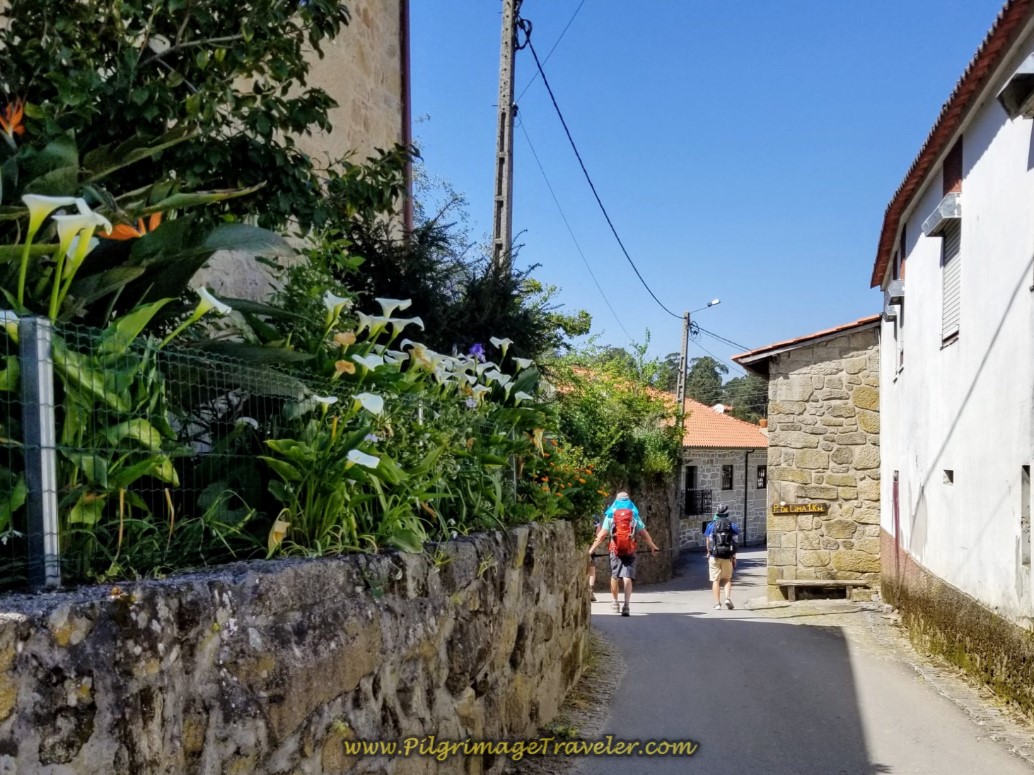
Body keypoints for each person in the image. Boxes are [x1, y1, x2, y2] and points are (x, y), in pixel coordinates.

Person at [587, 491, 660, 617]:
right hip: (630, 550)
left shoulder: (611, 515)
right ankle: (626, 605)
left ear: (616, 501)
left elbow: (601, 535)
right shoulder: (633, 516)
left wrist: (591, 550)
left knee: (614, 576)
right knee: (627, 577)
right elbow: (644, 534)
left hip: (614, 550)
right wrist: (653, 547)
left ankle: (615, 602)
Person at [704, 504, 740, 610]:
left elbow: (708, 542)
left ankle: (717, 604)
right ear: (727, 514)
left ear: (717, 513)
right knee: (727, 578)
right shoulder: (733, 526)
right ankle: (727, 598)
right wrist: (734, 557)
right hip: (727, 556)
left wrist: (708, 552)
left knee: (715, 580)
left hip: (714, 556)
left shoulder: (711, 526)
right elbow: (735, 543)